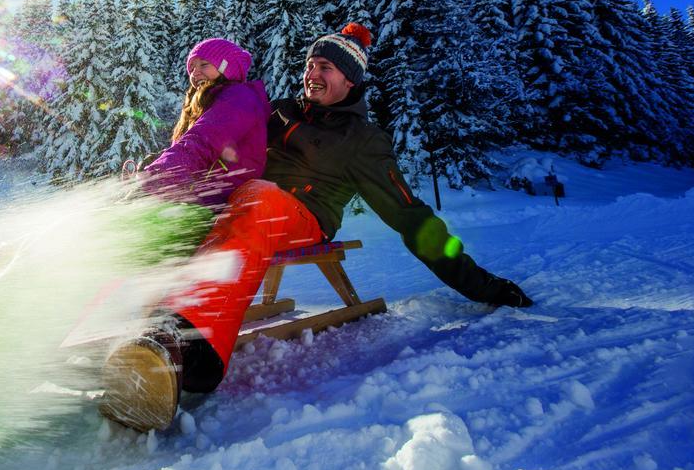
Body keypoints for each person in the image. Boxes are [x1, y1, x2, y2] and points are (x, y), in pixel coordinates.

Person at [99, 23, 533, 433]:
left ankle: (189, 351)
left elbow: (411, 218)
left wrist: (484, 287)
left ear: (349, 79)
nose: (312, 74)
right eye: (309, 66)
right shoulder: (282, 112)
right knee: (185, 218)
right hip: (243, 207)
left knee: (259, 198)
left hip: (303, 216)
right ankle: (138, 337)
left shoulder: (363, 139)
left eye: (324, 67)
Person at [136, 37, 270, 207]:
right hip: (203, 199)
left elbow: (204, 141)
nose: (195, 72)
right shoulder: (206, 103)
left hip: (224, 204)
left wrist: (159, 176)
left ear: (226, 68)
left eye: (204, 64)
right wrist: (161, 160)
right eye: (192, 68)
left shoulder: (239, 97)